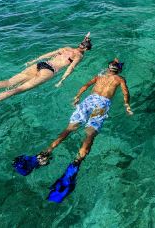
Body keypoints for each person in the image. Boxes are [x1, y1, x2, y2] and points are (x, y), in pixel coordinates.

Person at [12, 58, 132, 201]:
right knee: (88, 134)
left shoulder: (107, 76)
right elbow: (123, 92)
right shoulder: (116, 78)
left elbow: (87, 86)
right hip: (99, 103)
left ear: (114, 68)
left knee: (72, 130)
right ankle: (74, 163)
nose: (113, 64)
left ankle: (46, 153)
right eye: (113, 63)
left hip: (90, 100)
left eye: (114, 63)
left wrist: (78, 96)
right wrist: (126, 104)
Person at [0, 33, 92, 124]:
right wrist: (61, 80)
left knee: (8, 82)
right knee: (17, 89)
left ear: (80, 43)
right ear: (86, 49)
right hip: (50, 70)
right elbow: (70, 68)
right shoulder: (78, 56)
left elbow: (48, 54)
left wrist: (33, 61)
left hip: (42, 63)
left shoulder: (66, 48)